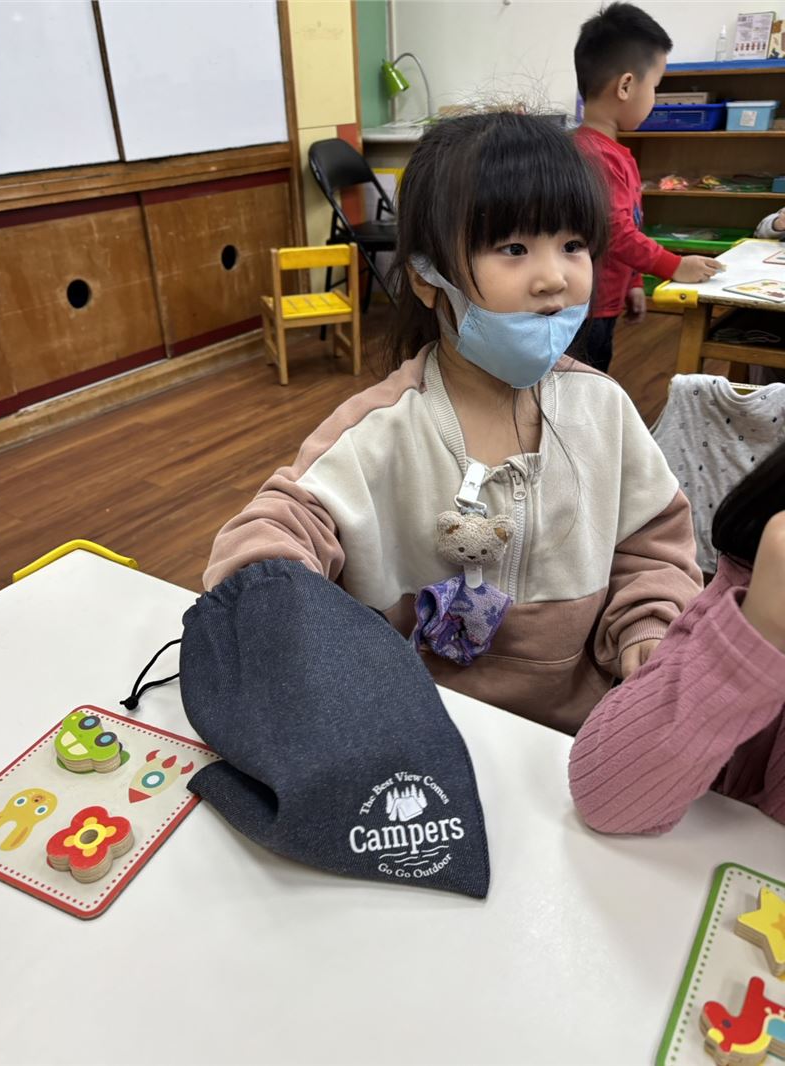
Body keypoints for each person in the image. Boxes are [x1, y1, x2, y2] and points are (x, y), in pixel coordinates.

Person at [204, 111, 702, 735]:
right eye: (514, 249)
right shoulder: (380, 430)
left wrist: (648, 625)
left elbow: (652, 549)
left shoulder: (605, 411)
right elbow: (280, 527)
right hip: (414, 731)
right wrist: (268, 600)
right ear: (425, 278)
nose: (554, 277)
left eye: (573, 245)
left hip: (572, 735)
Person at [569, 442, 785, 832]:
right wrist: (759, 630)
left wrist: (646, 620)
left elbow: (652, 547)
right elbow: (608, 795)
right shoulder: (755, 573)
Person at [574, 2, 723, 372]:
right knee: (584, 382)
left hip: (604, 301)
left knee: (593, 375)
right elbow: (614, 231)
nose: (654, 99)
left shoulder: (612, 152)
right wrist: (673, 266)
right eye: (655, 87)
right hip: (584, 308)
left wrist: (634, 281)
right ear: (626, 85)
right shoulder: (594, 156)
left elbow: (627, 224)